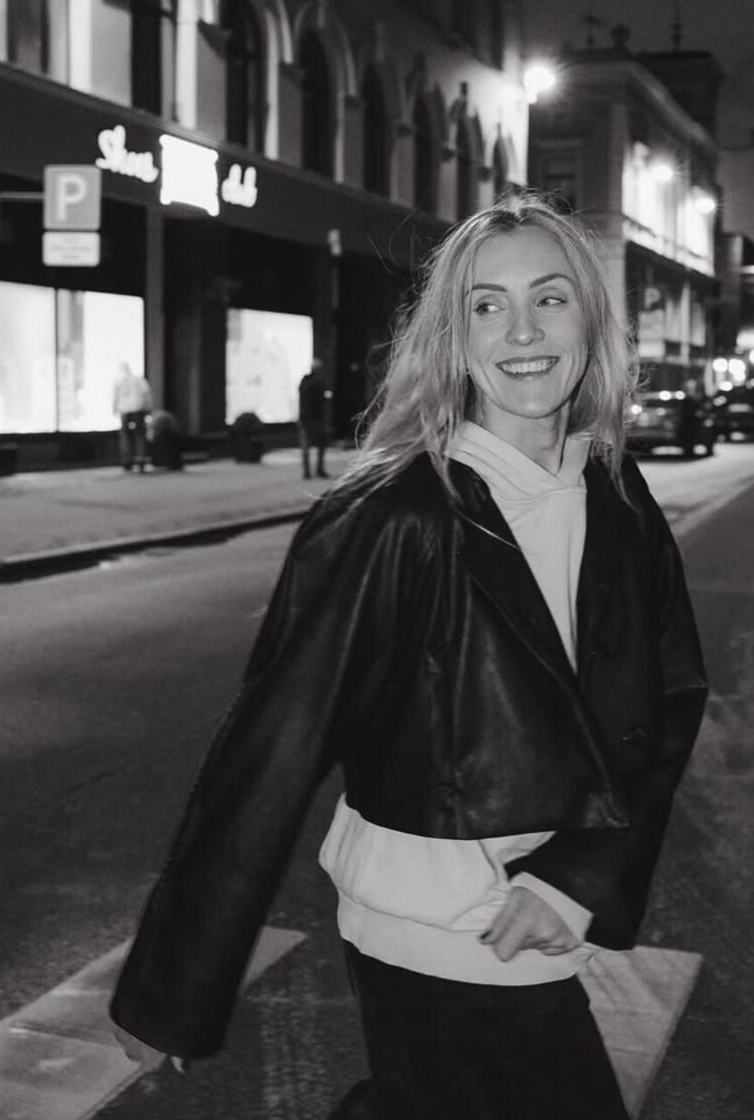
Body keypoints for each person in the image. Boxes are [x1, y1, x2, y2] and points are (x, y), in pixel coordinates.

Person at [108, 194, 709, 1119]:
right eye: (485, 305)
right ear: (452, 338)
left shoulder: (613, 489)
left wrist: (583, 872)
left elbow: (664, 703)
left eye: (549, 299)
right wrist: (174, 982)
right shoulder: (395, 517)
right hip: (439, 919)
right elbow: (273, 744)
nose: (521, 331)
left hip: (543, 909)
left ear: (591, 320)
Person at [112, 362, 153, 472]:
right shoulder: (139, 380)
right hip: (138, 409)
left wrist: (114, 409)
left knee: (125, 435)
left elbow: (115, 396)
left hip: (125, 410)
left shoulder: (119, 381)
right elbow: (147, 394)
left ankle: (127, 460)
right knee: (140, 434)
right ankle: (141, 459)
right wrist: (149, 409)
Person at [298, 358, 332, 479]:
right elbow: (321, 400)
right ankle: (319, 469)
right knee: (321, 444)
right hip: (316, 418)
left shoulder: (303, 382)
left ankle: (306, 471)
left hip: (303, 418)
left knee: (305, 446)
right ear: (318, 370)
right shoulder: (318, 382)